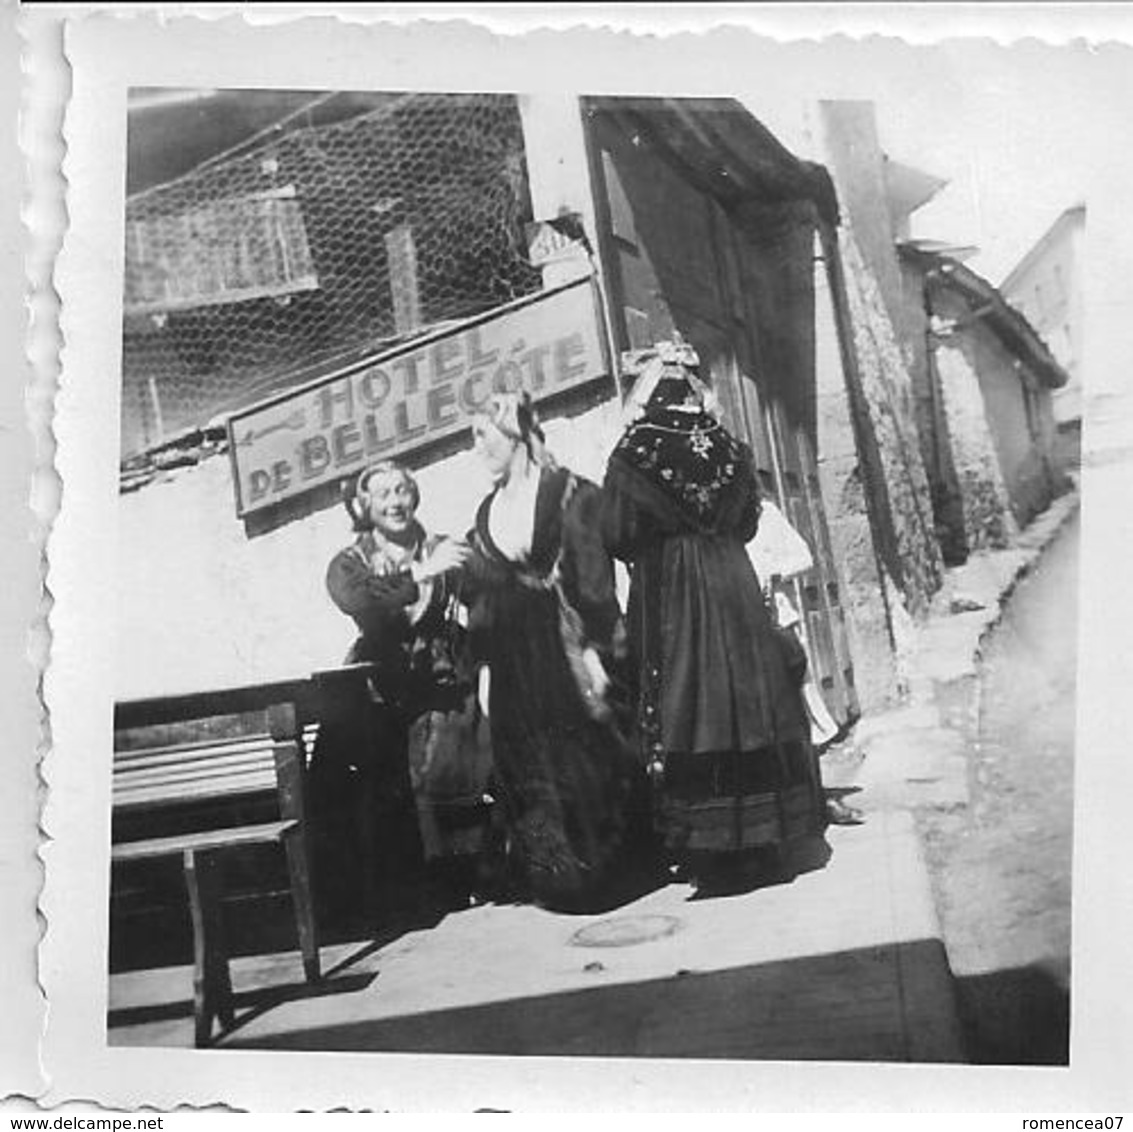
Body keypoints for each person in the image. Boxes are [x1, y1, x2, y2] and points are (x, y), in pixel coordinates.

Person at [601, 341, 827, 884]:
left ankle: (715, 849)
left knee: (690, 699)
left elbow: (616, 532)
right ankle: (763, 839)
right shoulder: (730, 445)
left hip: (672, 589)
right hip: (733, 583)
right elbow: (748, 522)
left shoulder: (634, 451)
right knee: (748, 699)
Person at [461, 391, 650, 912]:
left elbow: (593, 579)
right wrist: (482, 665)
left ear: (515, 432)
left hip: (565, 647)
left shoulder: (570, 494)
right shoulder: (487, 512)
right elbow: (484, 590)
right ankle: (555, 877)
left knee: (584, 757)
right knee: (527, 762)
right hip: (514, 657)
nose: (477, 448)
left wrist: (597, 651)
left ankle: (606, 876)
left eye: (483, 435)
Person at [308, 460, 490, 924]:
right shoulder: (351, 562)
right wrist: (424, 575)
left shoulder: (443, 548)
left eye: (403, 491)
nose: (395, 502)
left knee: (452, 755)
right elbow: (362, 602)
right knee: (369, 775)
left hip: (441, 675)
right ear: (365, 506)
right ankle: (390, 894)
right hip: (382, 680)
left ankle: (460, 877)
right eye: (384, 494)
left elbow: (486, 601)